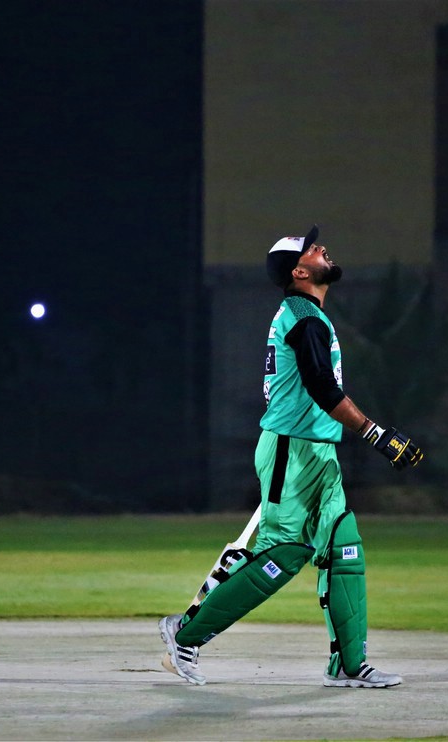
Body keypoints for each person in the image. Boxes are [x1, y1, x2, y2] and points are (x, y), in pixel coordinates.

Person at [159, 225, 422, 687]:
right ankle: (186, 635)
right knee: (281, 554)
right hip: (291, 451)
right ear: (299, 271)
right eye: (311, 249)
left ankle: (348, 664)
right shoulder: (303, 316)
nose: (321, 249)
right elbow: (322, 386)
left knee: (343, 546)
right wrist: (375, 433)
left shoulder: (308, 315)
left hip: (317, 451)